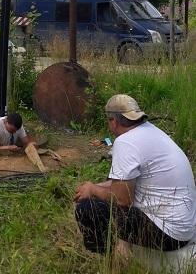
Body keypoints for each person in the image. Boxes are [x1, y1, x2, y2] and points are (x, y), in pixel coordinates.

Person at [74, 94, 196, 255]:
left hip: (168, 234)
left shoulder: (126, 142)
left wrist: (93, 190)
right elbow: (124, 184)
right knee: (101, 193)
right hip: (183, 227)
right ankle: (122, 248)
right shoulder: (152, 131)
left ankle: (109, 257)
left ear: (113, 121)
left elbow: (122, 199)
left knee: (87, 208)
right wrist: (93, 187)